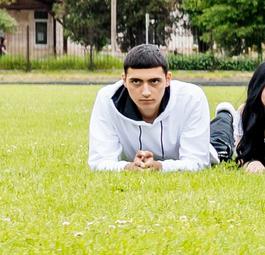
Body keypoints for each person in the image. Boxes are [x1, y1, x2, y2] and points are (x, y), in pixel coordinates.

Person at [87, 42, 215, 171]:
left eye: (154, 81)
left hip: (211, 141)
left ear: (168, 79)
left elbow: (197, 161)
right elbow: (99, 161)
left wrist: (159, 166)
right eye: (136, 81)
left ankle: (225, 115)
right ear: (124, 80)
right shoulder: (107, 99)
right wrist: (129, 167)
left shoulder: (191, 97)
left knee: (220, 142)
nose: (146, 92)